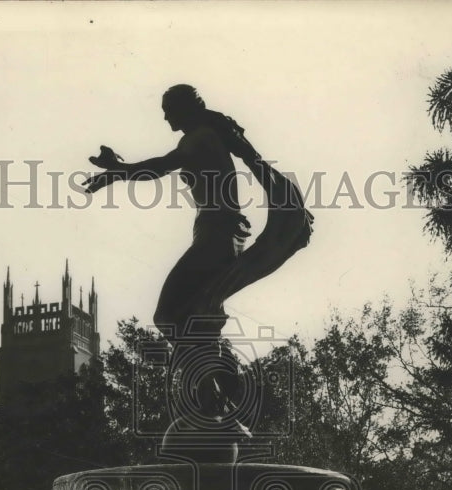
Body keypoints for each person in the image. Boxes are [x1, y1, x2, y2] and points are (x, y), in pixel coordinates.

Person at [83, 84, 313, 423]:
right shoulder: (207, 136)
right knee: (195, 316)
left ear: (186, 109)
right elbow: (161, 165)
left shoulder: (198, 138)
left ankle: (215, 378)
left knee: (168, 316)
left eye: (169, 109)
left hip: (215, 237)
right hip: (220, 235)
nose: (164, 116)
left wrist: (120, 171)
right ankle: (213, 386)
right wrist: (120, 168)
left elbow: (160, 166)